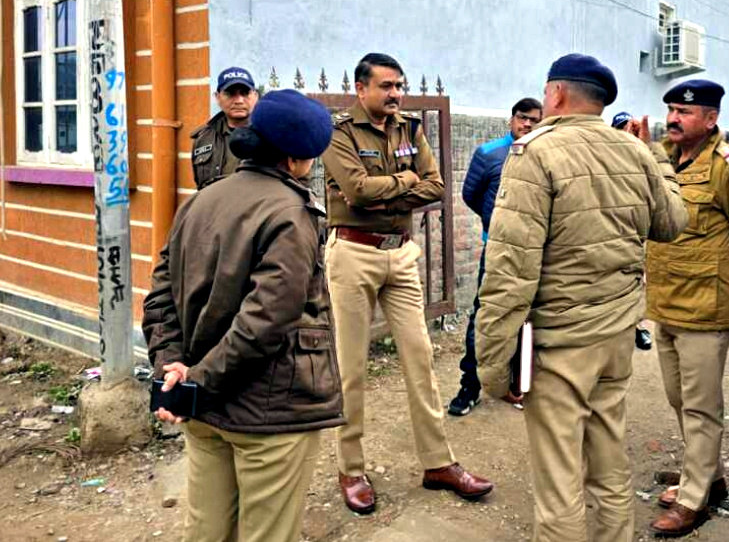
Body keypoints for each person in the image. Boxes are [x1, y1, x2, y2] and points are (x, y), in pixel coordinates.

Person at [476, 53, 688, 542]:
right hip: (616, 335)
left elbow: (510, 272)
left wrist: (493, 366)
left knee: (559, 484)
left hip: (561, 343)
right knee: (609, 464)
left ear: (555, 93)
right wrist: (656, 155)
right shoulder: (634, 152)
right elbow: (673, 222)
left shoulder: (534, 153)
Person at [142, 89, 340, 542]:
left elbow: (159, 297)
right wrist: (197, 380)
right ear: (296, 160)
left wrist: (174, 370)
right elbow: (267, 321)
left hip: (204, 409)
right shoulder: (291, 213)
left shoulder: (199, 202)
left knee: (206, 529)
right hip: (267, 412)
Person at [323, 52, 493, 515]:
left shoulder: (410, 129)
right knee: (351, 368)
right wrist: (405, 180)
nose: (396, 93)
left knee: (420, 359)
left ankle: (438, 463)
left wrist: (386, 194)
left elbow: (435, 186)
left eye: (399, 85)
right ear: (361, 89)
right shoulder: (339, 133)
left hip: (400, 254)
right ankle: (350, 468)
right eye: (386, 86)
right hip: (353, 253)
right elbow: (355, 191)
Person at [647, 79, 729, 537]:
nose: (673, 119)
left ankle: (693, 500)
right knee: (679, 399)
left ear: (710, 119)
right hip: (665, 303)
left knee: (701, 407)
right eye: (671, 110)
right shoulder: (663, 159)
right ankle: (710, 477)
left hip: (706, 309)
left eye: (684, 112)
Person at [449, 97, 543, 417]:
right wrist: (495, 223)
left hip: (535, 253)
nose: (527, 124)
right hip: (497, 252)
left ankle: (518, 384)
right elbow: (471, 195)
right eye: (522, 118)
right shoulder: (489, 154)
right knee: (485, 317)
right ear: (511, 120)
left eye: (534, 119)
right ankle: (470, 386)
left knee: (528, 320)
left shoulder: (545, 155)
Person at [612, 110, 656, 353]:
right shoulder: (606, 157)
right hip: (612, 229)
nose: (626, 133)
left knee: (639, 279)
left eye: (630, 129)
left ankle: (638, 326)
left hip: (638, 229)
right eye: (621, 129)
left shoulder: (644, 157)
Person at [190, 66, 259, 189]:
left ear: (255, 96)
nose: (239, 100)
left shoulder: (269, 136)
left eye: (245, 93)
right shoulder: (204, 139)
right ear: (217, 97)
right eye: (230, 93)